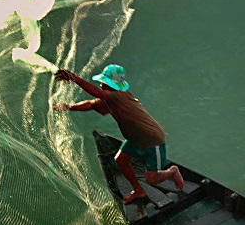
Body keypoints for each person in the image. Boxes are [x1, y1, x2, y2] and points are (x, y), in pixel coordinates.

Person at [53, 64, 184, 203]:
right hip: (134, 138)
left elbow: (98, 93)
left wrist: (76, 79)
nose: (101, 84)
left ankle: (173, 171)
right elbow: (91, 104)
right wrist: (68, 107)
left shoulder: (119, 95)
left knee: (151, 179)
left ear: (111, 85)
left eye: (103, 82)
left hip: (151, 139)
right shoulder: (109, 99)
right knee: (120, 160)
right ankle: (139, 191)